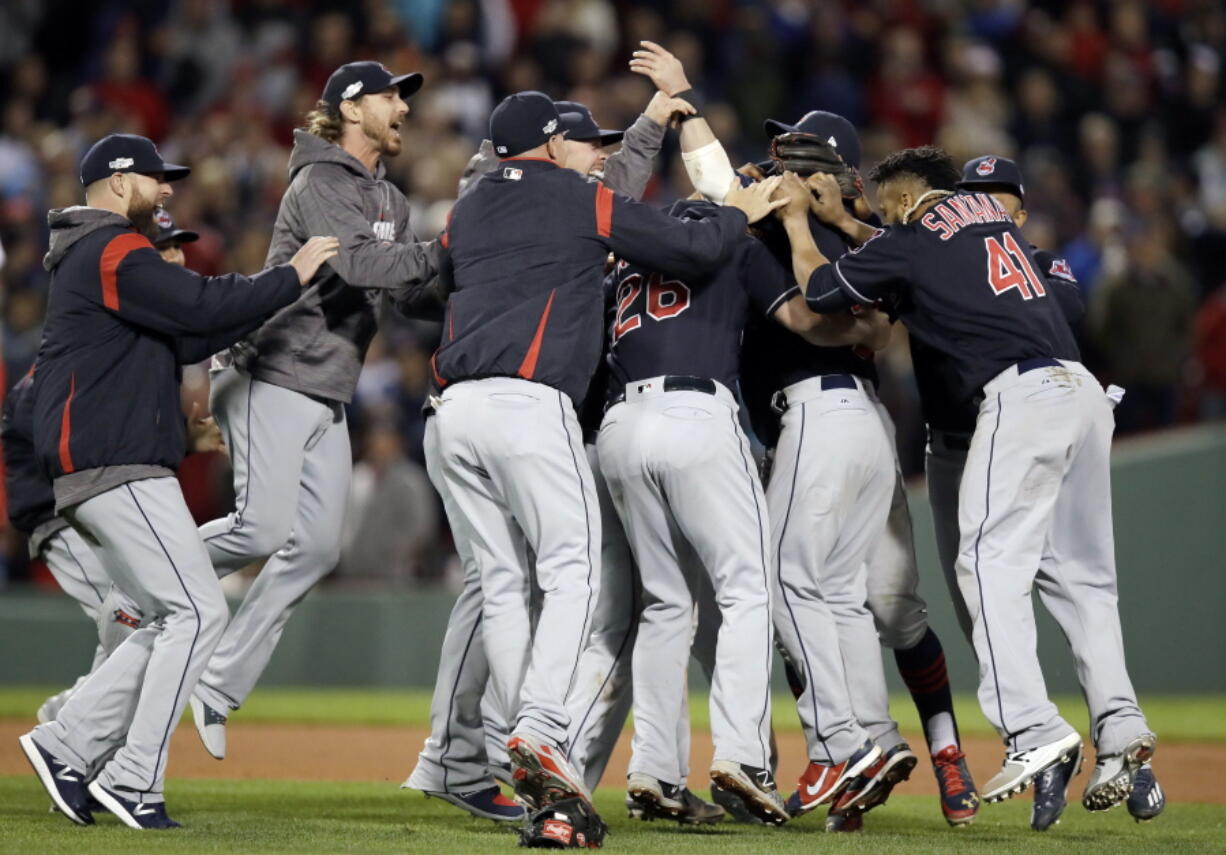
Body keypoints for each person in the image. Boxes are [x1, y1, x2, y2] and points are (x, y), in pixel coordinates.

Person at [633, 37, 977, 828]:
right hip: (858, 427)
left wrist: (802, 223)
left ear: (833, 170)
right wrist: (687, 109)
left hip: (821, 412)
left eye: (797, 152)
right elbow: (719, 178)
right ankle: (876, 742)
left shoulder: (840, 233)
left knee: (789, 581)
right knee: (844, 599)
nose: (779, 161)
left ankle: (841, 747)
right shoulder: (835, 231)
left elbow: (843, 318)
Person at [425, 90, 782, 815]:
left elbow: (420, 288)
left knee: (501, 583)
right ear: (553, 145)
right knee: (577, 574)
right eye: (589, 145)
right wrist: (738, 209)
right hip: (529, 403)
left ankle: (505, 741)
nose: (599, 158)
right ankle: (544, 728)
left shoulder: (467, 209)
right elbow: (692, 246)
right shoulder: (575, 199)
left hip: (450, 411)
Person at [789, 145, 1159, 825]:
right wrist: (853, 223)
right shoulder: (993, 218)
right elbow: (922, 249)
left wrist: (801, 224)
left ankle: (1032, 727)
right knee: (1084, 581)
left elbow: (822, 291)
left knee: (985, 563)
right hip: (1080, 393)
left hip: (1017, 402)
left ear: (902, 199)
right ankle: (1121, 725)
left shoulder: (911, 231)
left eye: (885, 200)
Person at [17, 133, 336, 829]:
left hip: (112, 464)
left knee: (172, 616)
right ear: (119, 179)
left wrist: (269, 301)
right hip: (114, 463)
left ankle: (67, 742)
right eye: (157, 179)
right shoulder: (108, 246)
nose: (167, 191)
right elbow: (197, 307)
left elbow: (188, 337)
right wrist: (292, 273)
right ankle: (132, 779)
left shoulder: (100, 256)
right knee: (198, 613)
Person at [598, 195, 888, 826]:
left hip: (620, 427)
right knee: (749, 591)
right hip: (695, 413)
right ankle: (742, 758)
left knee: (665, 605)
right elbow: (806, 322)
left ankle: (653, 770)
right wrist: (869, 332)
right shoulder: (736, 243)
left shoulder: (629, 262)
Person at [190, 61, 440, 760]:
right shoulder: (322, 180)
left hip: (324, 388)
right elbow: (359, 267)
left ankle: (216, 683)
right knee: (262, 526)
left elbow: (405, 291)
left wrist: (472, 278)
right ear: (353, 108)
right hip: (268, 370)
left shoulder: (390, 198)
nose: (404, 109)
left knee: (318, 546)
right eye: (392, 97)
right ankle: (146, 569)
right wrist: (449, 252)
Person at [912, 154, 1164, 830]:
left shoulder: (1036, 261)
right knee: (998, 601)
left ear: (1021, 211)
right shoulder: (935, 250)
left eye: (998, 197)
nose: (983, 205)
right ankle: (1100, 735)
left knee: (1010, 576)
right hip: (959, 444)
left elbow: (1071, 302)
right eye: (973, 195)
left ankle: (1045, 734)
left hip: (1023, 422)